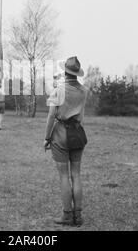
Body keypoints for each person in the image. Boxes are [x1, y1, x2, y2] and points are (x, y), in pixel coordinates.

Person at [44, 56, 87, 227]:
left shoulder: (58, 90)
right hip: (78, 133)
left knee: (64, 176)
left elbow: (51, 116)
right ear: (77, 73)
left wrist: (47, 138)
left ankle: (67, 215)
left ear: (64, 72)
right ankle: (78, 215)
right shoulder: (84, 90)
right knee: (76, 174)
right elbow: (81, 114)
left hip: (61, 134)